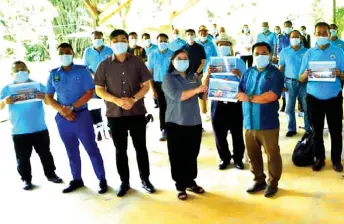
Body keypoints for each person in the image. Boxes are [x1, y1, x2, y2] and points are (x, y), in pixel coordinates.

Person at [94, 29, 155, 197]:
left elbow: (146, 86)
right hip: (115, 115)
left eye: (123, 39)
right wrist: (117, 101)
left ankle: (145, 180)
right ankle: (124, 182)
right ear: (110, 43)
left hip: (136, 112)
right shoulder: (104, 65)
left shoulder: (137, 62)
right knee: (120, 151)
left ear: (127, 42)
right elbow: (99, 90)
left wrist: (133, 99)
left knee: (140, 148)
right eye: (116, 40)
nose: (119, 42)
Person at [46, 43, 107, 194]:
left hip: (81, 116)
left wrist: (71, 108)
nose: (64, 55)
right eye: (61, 52)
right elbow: (48, 96)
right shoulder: (53, 74)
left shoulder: (82, 71)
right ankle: (77, 179)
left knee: (91, 148)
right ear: (57, 54)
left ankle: (102, 179)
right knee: (71, 151)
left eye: (67, 52)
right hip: (62, 119)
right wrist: (62, 110)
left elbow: (89, 92)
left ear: (72, 54)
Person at [0, 61, 62, 190]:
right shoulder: (7, 89)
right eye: (17, 70)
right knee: (22, 158)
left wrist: (44, 97)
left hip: (39, 127)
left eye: (23, 69)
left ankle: (51, 174)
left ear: (28, 71)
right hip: (19, 130)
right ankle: (26, 180)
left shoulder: (38, 85)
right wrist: (5, 101)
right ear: (12, 73)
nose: (20, 72)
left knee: (45, 153)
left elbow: (49, 101)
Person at [236, 42, 284, 198]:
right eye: (257, 53)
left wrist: (248, 98)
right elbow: (239, 91)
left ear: (269, 55)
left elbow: (272, 96)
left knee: (272, 155)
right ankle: (259, 180)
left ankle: (272, 183)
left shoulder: (275, 74)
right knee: (252, 155)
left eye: (264, 53)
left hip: (267, 123)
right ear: (252, 55)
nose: (260, 56)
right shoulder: (248, 73)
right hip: (248, 123)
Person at [162, 49, 208, 200]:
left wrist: (207, 83)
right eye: (179, 58)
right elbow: (179, 96)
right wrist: (197, 89)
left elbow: (203, 95)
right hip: (176, 122)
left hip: (194, 121)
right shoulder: (169, 78)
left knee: (192, 154)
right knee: (177, 155)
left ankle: (190, 181)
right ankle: (180, 185)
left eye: (185, 58)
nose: (183, 61)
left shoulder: (193, 76)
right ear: (173, 61)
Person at [299, 22, 344, 173]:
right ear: (314, 34)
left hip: (334, 97)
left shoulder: (338, 52)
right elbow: (300, 78)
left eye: (325, 33)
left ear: (329, 34)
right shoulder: (309, 54)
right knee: (316, 131)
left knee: (335, 130)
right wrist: (305, 74)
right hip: (313, 98)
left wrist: (340, 74)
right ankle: (319, 158)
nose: (322, 35)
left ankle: (336, 160)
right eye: (319, 33)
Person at [204, 34, 246, 170]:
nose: (223, 47)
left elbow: (247, 83)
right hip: (218, 102)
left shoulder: (239, 62)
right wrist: (208, 74)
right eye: (220, 44)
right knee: (219, 133)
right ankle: (225, 158)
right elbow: (205, 84)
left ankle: (238, 158)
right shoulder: (212, 62)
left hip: (235, 102)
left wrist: (239, 75)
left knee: (237, 133)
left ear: (231, 46)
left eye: (226, 44)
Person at [83, 31, 113, 141]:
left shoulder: (109, 50)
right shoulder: (88, 51)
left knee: (110, 104)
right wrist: (94, 75)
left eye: (99, 37)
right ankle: (99, 129)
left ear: (103, 38)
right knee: (94, 106)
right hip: (94, 82)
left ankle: (110, 127)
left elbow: (114, 65)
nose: (97, 39)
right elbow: (85, 67)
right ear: (91, 39)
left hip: (109, 82)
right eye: (95, 38)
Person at [279, 30, 310, 137]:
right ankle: (291, 128)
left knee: (307, 107)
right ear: (289, 38)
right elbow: (281, 68)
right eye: (292, 37)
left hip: (305, 83)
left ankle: (308, 129)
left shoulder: (307, 51)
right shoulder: (284, 52)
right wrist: (280, 83)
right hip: (289, 83)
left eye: (297, 37)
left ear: (301, 38)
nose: (295, 38)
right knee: (289, 108)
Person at [148, 33, 174, 141]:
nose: (162, 43)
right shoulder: (152, 55)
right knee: (162, 107)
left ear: (167, 42)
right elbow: (149, 73)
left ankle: (174, 128)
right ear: (157, 42)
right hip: (158, 84)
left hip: (172, 84)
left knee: (173, 107)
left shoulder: (173, 54)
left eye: (164, 41)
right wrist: (153, 89)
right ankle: (164, 129)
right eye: (160, 41)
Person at [197, 25, 218, 122]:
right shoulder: (196, 44)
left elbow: (216, 58)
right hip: (199, 72)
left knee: (210, 91)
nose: (203, 34)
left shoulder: (211, 44)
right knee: (201, 92)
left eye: (205, 32)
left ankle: (211, 111)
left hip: (210, 71)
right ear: (198, 33)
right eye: (201, 32)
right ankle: (203, 112)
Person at [142, 33, 159, 108]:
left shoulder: (156, 47)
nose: (147, 40)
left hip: (154, 69)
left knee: (154, 84)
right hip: (144, 69)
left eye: (148, 38)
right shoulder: (142, 49)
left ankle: (157, 101)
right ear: (142, 40)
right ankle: (155, 100)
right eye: (145, 38)